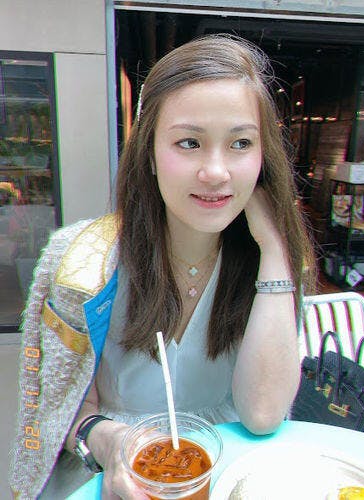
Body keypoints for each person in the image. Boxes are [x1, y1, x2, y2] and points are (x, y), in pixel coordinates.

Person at [9, 34, 316, 499]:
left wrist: (274, 250)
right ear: (149, 151)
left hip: (231, 476)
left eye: (240, 143)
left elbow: (262, 414)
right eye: (189, 142)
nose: (216, 172)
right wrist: (109, 440)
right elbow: (53, 409)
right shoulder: (83, 260)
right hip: (116, 479)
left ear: (262, 156)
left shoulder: (270, 262)